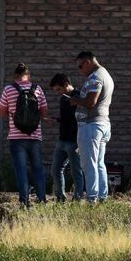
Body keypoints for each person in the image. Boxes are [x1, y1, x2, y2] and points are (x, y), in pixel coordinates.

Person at [0, 63, 48, 206]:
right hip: (35, 136)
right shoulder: (37, 89)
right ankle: (42, 199)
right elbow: (44, 112)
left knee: (21, 170)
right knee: (37, 168)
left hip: (16, 137)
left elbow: (1, 112)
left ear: (15, 76)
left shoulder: (8, 89)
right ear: (29, 76)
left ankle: (25, 202)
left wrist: (13, 113)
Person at [68, 51, 114, 203]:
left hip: (91, 126)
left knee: (89, 164)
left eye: (80, 66)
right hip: (102, 124)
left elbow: (91, 102)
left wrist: (77, 101)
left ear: (87, 62)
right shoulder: (105, 74)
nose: (80, 70)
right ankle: (102, 197)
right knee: (99, 163)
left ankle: (92, 198)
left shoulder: (95, 77)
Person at [48, 73, 84, 201]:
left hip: (74, 142)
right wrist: (56, 119)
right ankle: (60, 198)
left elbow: (80, 119)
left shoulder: (78, 97)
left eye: (59, 89)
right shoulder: (63, 99)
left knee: (76, 172)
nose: (58, 92)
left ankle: (77, 199)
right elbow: (66, 118)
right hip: (62, 140)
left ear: (67, 84)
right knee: (55, 170)